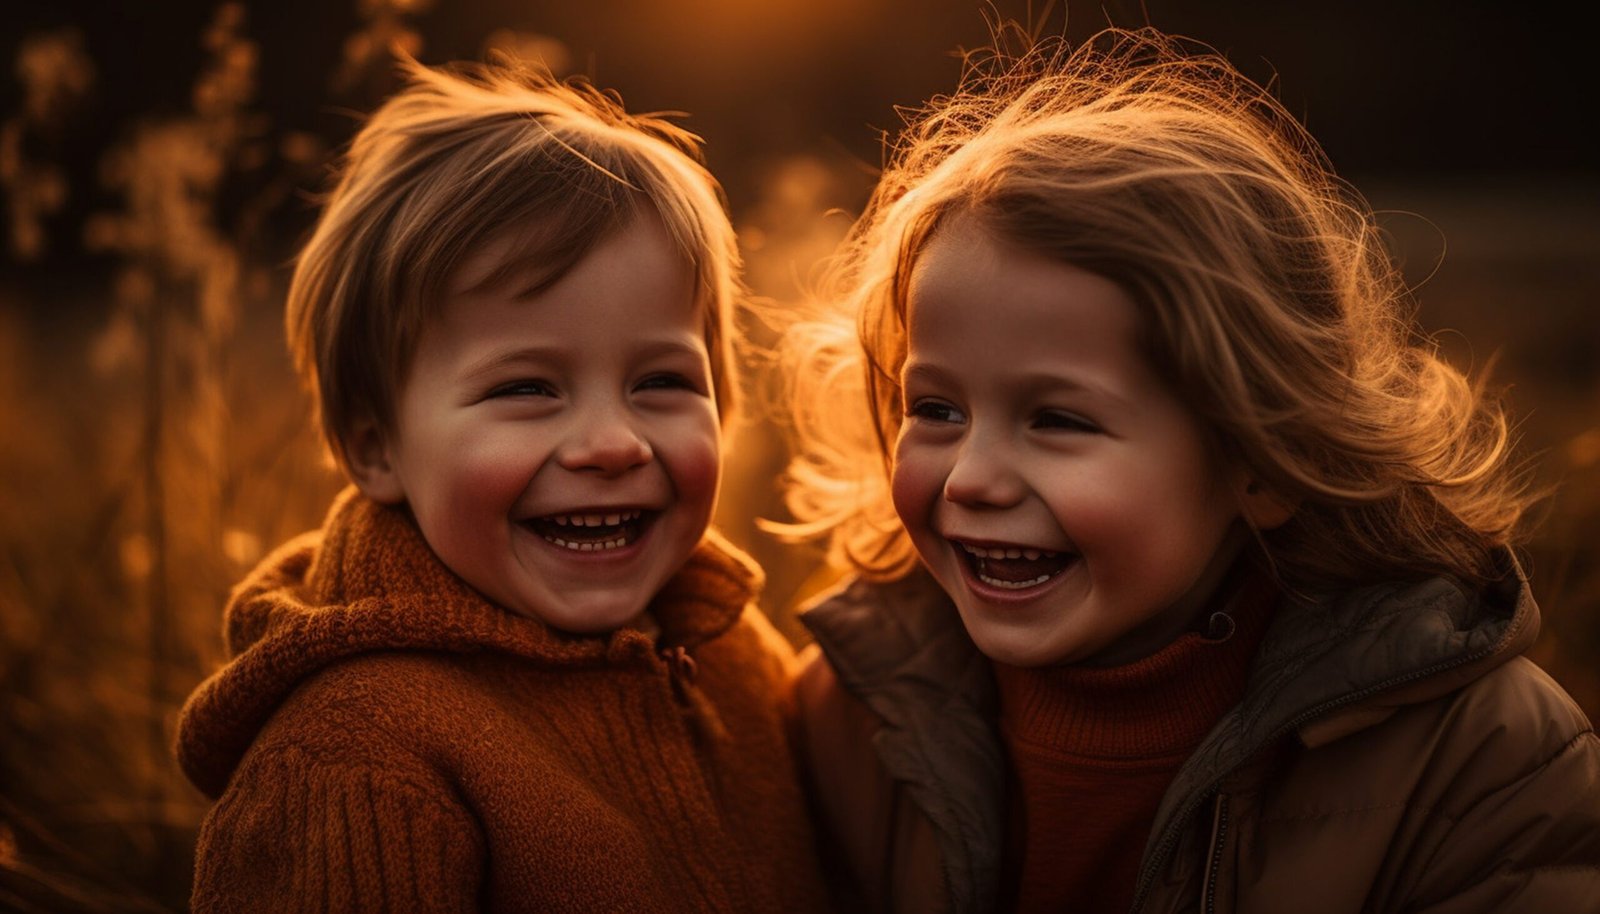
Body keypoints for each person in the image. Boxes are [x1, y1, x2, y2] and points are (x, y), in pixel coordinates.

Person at [774, 25, 1600, 914]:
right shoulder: (845, 714)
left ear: (1265, 462)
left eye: (1058, 420)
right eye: (935, 409)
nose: (972, 477)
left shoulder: (1482, 763)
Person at [175, 53, 830, 914]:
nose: (609, 443)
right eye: (526, 389)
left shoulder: (729, 651)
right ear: (377, 450)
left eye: (662, 383)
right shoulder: (358, 759)